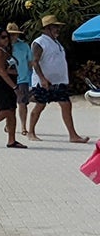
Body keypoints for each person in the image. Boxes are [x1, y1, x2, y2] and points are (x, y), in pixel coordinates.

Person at [28, 16, 89, 144]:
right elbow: (34, 61)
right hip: (43, 82)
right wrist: (42, 79)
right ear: (48, 28)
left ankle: (73, 135)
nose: (58, 29)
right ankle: (31, 132)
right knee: (40, 105)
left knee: (66, 104)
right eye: (56, 26)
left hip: (58, 82)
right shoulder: (39, 42)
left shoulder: (56, 42)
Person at [8, 23, 34, 136]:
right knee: (9, 103)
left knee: (22, 103)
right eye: (10, 34)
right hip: (7, 78)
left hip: (22, 78)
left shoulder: (24, 46)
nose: (12, 36)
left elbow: (30, 62)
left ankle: (23, 126)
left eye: (14, 34)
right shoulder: (2, 47)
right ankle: (8, 123)